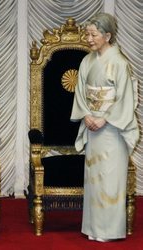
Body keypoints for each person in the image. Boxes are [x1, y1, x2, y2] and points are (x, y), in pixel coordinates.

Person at [70, 13, 139, 242]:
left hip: (111, 129)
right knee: (94, 178)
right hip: (92, 124)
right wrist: (87, 115)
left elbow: (125, 98)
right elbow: (81, 93)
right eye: (87, 34)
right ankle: (93, 228)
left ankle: (110, 230)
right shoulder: (87, 61)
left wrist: (105, 118)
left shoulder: (119, 62)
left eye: (93, 34)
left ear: (107, 36)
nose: (88, 39)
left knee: (110, 180)